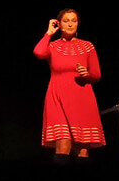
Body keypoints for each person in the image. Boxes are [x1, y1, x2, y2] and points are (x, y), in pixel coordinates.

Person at [33, 9, 104, 163]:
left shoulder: (87, 46)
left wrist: (87, 74)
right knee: (63, 145)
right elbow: (38, 52)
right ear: (59, 24)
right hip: (57, 98)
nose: (70, 24)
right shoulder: (52, 46)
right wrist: (49, 33)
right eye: (66, 21)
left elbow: (96, 75)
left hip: (82, 99)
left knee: (82, 150)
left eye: (74, 20)